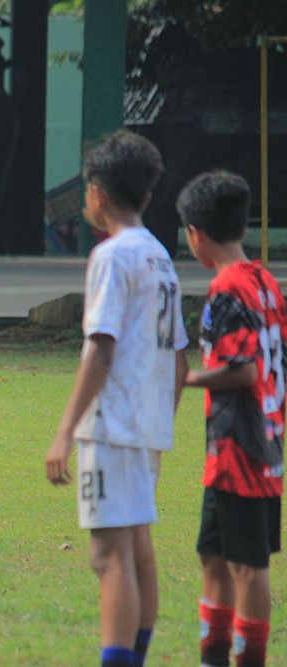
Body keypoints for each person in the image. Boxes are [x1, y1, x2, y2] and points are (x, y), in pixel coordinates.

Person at [44, 130, 188, 667]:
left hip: (111, 424)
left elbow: (100, 348)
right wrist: (160, 425)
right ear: (147, 196)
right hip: (146, 425)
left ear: (98, 195)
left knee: (109, 556)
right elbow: (179, 358)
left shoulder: (112, 256)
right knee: (138, 549)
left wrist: (65, 429)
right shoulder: (161, 257)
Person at [177, 170, 284, 667]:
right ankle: (213, 658)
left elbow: (240, 372)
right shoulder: (266, 283)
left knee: (247, 567)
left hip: (241, 446)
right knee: (213, 558)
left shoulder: (226, 289)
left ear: (195, 234)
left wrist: (186, 379)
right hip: (255, 441)